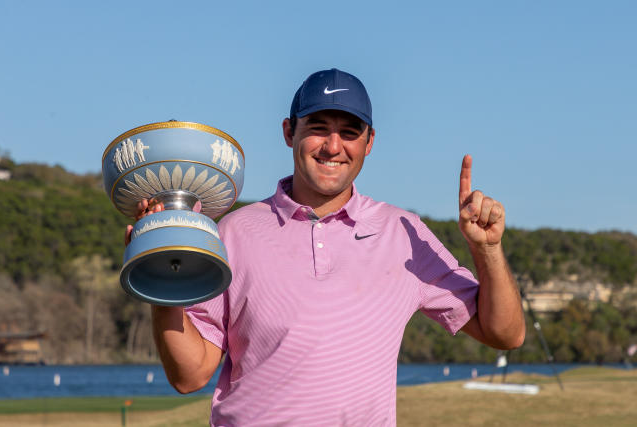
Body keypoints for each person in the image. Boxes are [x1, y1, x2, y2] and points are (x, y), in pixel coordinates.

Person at [127, 68, 525, 426]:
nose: (333, 146)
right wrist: (163, 276)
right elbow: (190, 375)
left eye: (350, 132)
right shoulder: (232, 232)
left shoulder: (402, 231)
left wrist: (487, 250)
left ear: (369, 142)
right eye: (318, 127)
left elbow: (505, 334)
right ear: (289, 131)